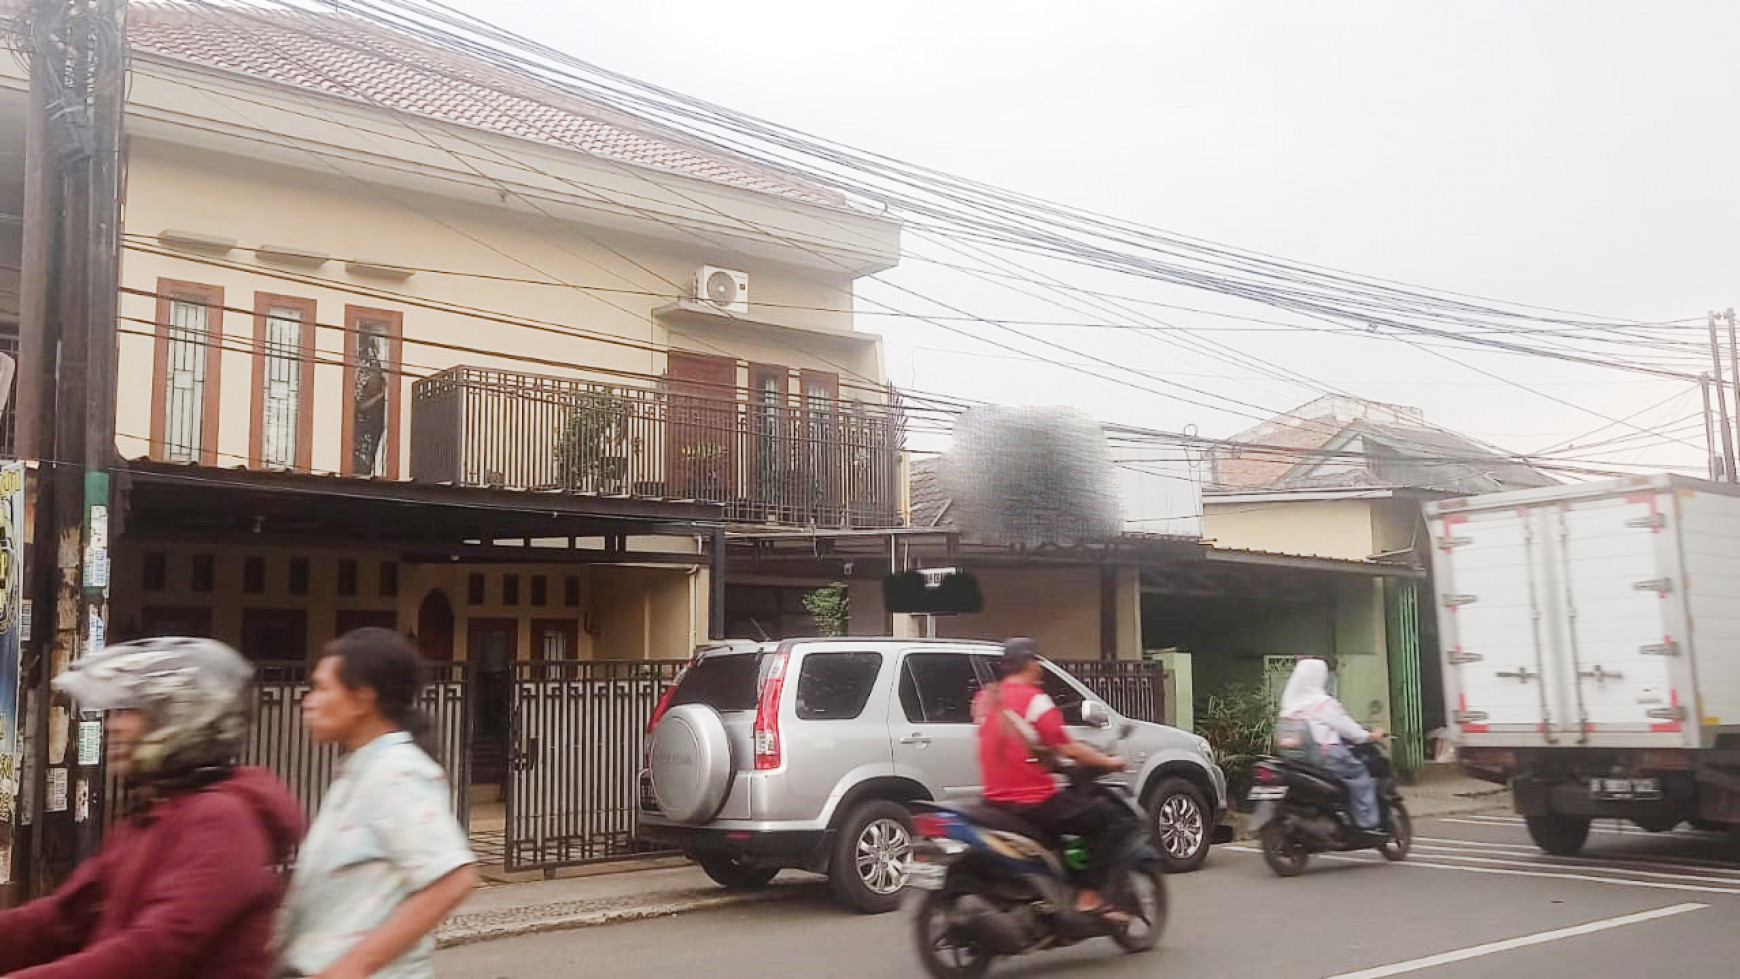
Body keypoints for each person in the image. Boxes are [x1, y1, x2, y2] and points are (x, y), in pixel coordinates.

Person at [0, 638, 304, 979]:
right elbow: (65, 918)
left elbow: (152, 951)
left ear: (182, 721)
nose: (114, 725)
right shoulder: (147, 817)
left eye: (132, 711)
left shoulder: (222, 822)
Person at [277, 628, 477, 979]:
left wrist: (352, 968)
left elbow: (452, 878)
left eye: (322, 688)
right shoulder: (360, 771)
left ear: (361, 700)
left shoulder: (396, 772)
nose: (309, 701)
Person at [972, 637, 1133, 921]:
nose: (1040, 668)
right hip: (1033, 801)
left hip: (993, 801)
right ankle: (1089, 894)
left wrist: (1046, 761)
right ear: (1031, 664)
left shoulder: (985, 698)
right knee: (1112, 820)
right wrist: (1110, 762)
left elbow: (1012, 744)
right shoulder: (1034, 699)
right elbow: (1067, 747)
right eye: (1037, 662)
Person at [1278, 658, 1388, 833]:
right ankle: (1367, 825)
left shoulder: (1289, 705)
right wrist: (1369, 735)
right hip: (1327, 756)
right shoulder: (1322, 703)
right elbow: (1349, 730)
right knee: (1359, 775)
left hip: (1297, 760)